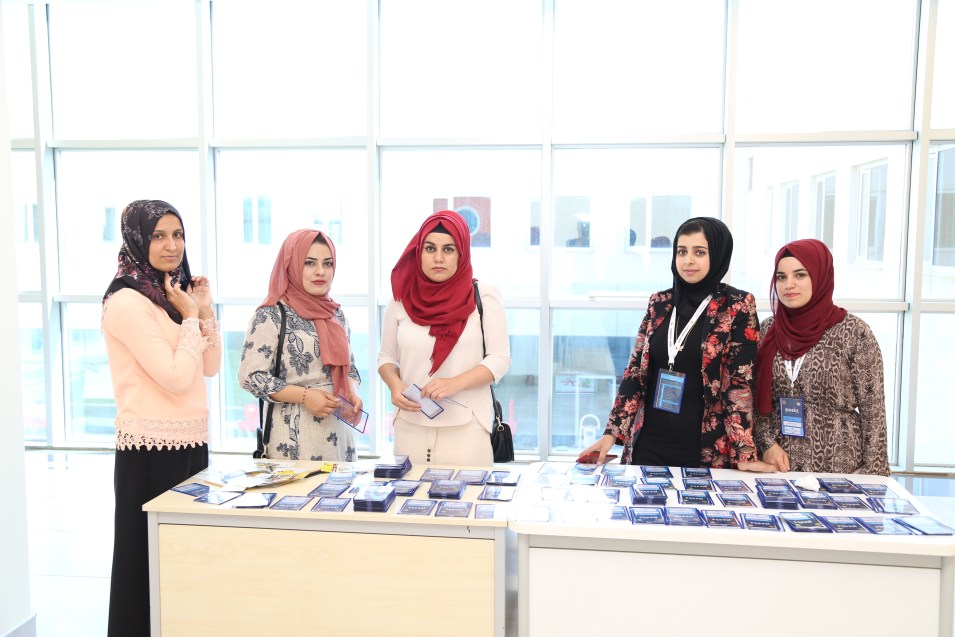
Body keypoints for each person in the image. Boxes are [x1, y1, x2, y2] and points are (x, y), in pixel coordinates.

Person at [102, 200, 221, 637]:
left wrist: (203, 310)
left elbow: (210, 368)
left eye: (178, 235)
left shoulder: (173, 296)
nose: (172, 246)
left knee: (183, 564)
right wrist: (190, 318)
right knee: (144, 567)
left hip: (191, 443)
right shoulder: (126, 302)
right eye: (158, 236)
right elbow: (174, 377)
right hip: (149, 450)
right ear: (137, 239)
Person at [581, 217, 771, 470]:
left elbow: (738, 385)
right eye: (682, 251)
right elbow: (635, 371)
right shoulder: (659, 303)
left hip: (704, 447)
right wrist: (612, 432)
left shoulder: (737, 305)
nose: (688, 260)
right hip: (649, 442)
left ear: (718, 255)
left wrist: (744, 454)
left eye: (699, 252)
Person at [378, 210, 511, 466]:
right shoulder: (400, 299)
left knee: (468, 493)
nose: (438, 258)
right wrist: (394, 384)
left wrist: (455, 383)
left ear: (461, 253)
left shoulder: (484, 296)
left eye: (448, 249)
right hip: (410, 427)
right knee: (409, 492)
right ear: (419, 252)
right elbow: (386, 357)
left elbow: (499, 359)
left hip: (467, 430)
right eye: (430, 249)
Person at [754, 239, 890, 475]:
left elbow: (873, 410)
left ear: (820, 277)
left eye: (800, 275)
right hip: (778, 466)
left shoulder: (853, 332)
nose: (788, 284)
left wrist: (874, 476)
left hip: (840, 467)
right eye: (781, 277)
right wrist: (766, 444)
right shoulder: (767, 330)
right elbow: (755, 398)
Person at [238, 229, 363, 462]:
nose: (320, 271)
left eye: (327, 263)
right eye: (309, 263)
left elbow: (351, 368)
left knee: (342, 486)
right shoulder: (271, 315)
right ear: (292, 265)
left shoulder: (336, 314)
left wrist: (353, 393)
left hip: (340, 435)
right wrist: (305, 396)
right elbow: (251, 377)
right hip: (294, 436)